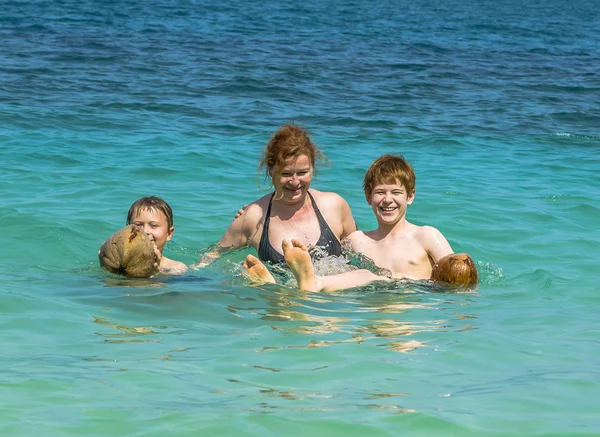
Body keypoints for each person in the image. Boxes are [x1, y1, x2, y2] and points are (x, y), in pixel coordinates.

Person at [244, 154, 459, 291]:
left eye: (396, 192)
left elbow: (458, 277)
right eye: (379, 193)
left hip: (412, 306)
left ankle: (298, 287)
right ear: (368, 197)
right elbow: (331, 268)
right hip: (367, 313)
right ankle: (280, 287)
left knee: (367, 276)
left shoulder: (426, 235)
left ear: (410, 196)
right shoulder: (357, 241)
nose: (387, 200)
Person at [196, 123, 356, 267]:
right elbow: (213, 255)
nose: (295, 182)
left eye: (302, 172)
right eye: (286, 173)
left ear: (312, 168)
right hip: (279, 299)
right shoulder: (254, 216)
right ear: (270, 170)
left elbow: (358, 253)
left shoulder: (334, 206)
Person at [125, 196, 188, 275]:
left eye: (154, 225)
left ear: (169, 234)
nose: (145, 231)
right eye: (138, 225)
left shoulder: (176, 268)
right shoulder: (119, 261)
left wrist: (157, 273)